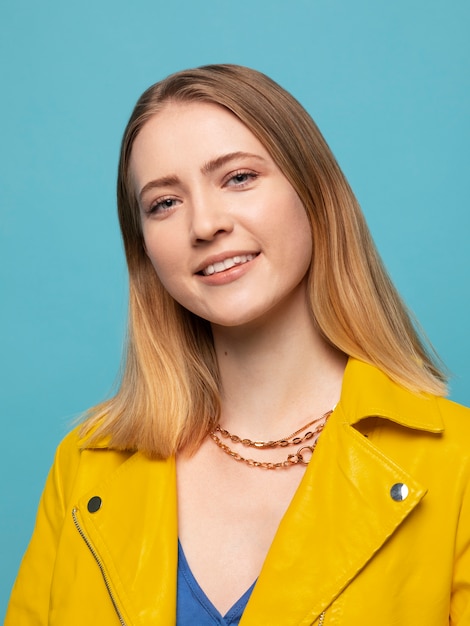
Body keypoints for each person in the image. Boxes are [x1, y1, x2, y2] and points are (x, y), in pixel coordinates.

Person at [5, 64, 470, 626]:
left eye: (238, 178)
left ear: (314, 191)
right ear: (144, 250)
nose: (204, 224)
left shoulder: (457, 466)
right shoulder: (84, 465)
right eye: (164, 203)